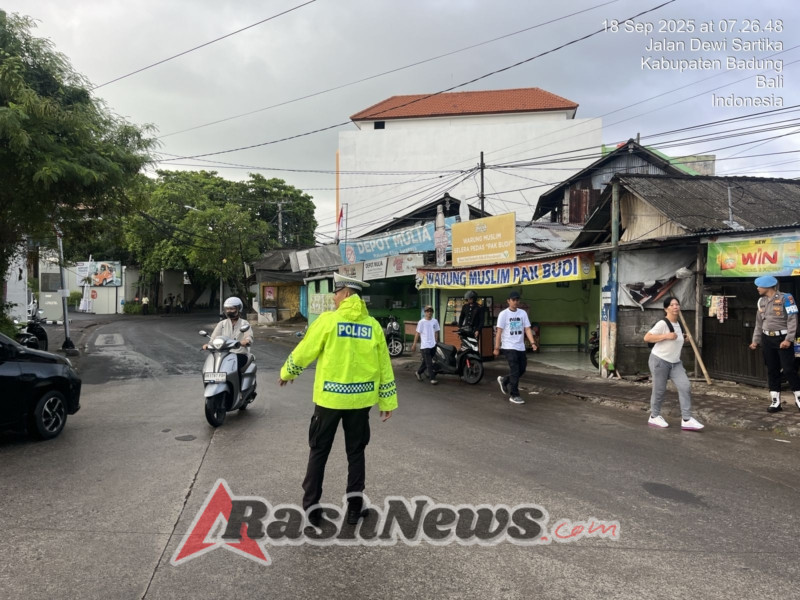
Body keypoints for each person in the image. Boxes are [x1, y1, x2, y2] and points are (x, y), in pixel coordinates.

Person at [278, 272, 397, 527]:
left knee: (319, 451)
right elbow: (384, 366)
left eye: (335, 292)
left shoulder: (328, 321)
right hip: (360, 403)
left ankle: (311, 509)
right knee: (356, 453)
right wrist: (387, 401)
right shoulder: (373, 326)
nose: (333, 297)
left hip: (330, 401)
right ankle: (354, 509)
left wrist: (287, 372)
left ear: (346, 294)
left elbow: (306, 349)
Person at [643, 297, 704, 431]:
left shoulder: (679, 324)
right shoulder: (662, 323)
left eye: (677, 304)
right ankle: (654, 416)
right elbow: (647, 338)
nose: (676, 306)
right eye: (672, 305)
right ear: (666, 308)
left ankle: (687, 419)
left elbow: (676, 339)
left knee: (685, 386)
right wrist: (665, 336)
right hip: (659, 361)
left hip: (675, 363)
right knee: (659, 390)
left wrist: (685, 338)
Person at [748, 275, 800, 413]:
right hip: (767, 339)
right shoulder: (761, 302)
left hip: (782, 339)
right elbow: (759, 324)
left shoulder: (786, 298)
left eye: (759, 286)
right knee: (772, 370)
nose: (757, 288)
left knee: (789, 370)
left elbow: (792, 319)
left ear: (767, 286)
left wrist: (788, 339)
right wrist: (755, 341)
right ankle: (775, 402)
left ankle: (798, 398)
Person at [493, 290, 537, 405]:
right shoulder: (503, 314)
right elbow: (499, 332)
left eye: (517, 300)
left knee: (522, 369)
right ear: (508, 301)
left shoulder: (522, 313)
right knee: (515, 369)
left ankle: (505, 380)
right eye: (513, 300)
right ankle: (514, 394)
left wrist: (532, 343)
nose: (516, 302)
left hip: (520, 346)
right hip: (508, 346)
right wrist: (497, 347)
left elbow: (527, 329)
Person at [202, 297, 253, 376]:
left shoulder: (244, 323)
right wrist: (208, 345)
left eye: (232, 309)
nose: (229, 311)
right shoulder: (221, 324)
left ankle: (237, 388)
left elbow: (248, 337)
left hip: (239, 354)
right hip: (223, 354)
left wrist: (245, 341)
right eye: (227, 309)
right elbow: (213, 338)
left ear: (239, 309)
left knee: (234, 368)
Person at [411, 305, 440, 384]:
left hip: (433, 345)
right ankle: (432, 378)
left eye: (431, 311)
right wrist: (414, 344)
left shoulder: (435, 321)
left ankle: (418, 372)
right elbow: (417, 333)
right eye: (427, 311)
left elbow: (436, 331)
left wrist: (436, 341)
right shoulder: (421, 322)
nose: (429, 313)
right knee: (429, 362)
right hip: (425, 346)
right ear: (425, 313)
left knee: (426, 362)